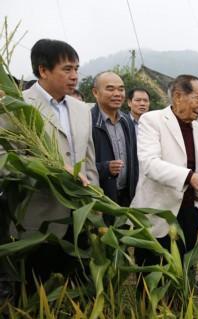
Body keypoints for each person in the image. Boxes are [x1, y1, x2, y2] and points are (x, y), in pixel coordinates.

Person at [5, 39, 98, 283]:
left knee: (74, 294)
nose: (75, 76)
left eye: (77, 69)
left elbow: (88, 162)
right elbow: (4, 159)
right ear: (43, 70)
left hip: (79, 221)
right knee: (36, 293)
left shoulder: (81, 109)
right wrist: (50, 170)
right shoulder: (17, 105)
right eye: (67, 69)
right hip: (36, 223)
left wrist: (95, 204)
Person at [131, 74, 198, 265]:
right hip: (158, 211)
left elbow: (196, 166)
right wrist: (190, 177)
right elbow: (150, 164)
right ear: (178, 96)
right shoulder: (152, 120)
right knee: (152, 271)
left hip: (188, 212)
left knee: (182, 272)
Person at [91, 72, 138, 207]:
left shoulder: (127, 121)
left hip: (126, 198)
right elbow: (79, 165)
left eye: (121, 89)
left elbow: (134, 161)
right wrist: (105, 168)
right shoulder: (88, 121)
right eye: (110, 89)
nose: (117, 94)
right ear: (95, 92)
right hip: (100, 198)